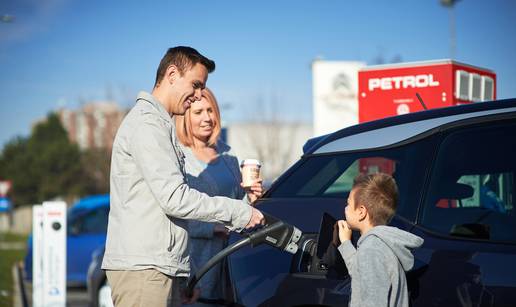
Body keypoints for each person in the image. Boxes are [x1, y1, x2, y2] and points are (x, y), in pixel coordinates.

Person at [102, 46, 265, 307]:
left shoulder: (159, 124)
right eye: (196, 84)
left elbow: (168, 212)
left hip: (160, 267)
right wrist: (239, 212)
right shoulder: (148, 124)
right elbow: (175, 198)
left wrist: (181, 277)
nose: (199, 95)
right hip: (145, 269)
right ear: (172, 74)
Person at [174, 87, 263, 305]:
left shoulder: (228, 154)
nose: (207, 118)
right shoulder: (177, 156)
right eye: (198, 112)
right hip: (197, 262)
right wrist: (212, 228)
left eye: (210, 111)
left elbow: (237, 203)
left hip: (232, 260)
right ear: (185, 117)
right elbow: (173, 208)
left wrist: (251, 198)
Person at [335, 173, 424, 307]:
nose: (345, 209)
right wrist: (346, 243)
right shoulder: (381, 244)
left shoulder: (371, 250)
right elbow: (361, 273)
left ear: (361, 212)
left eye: (348, 203)